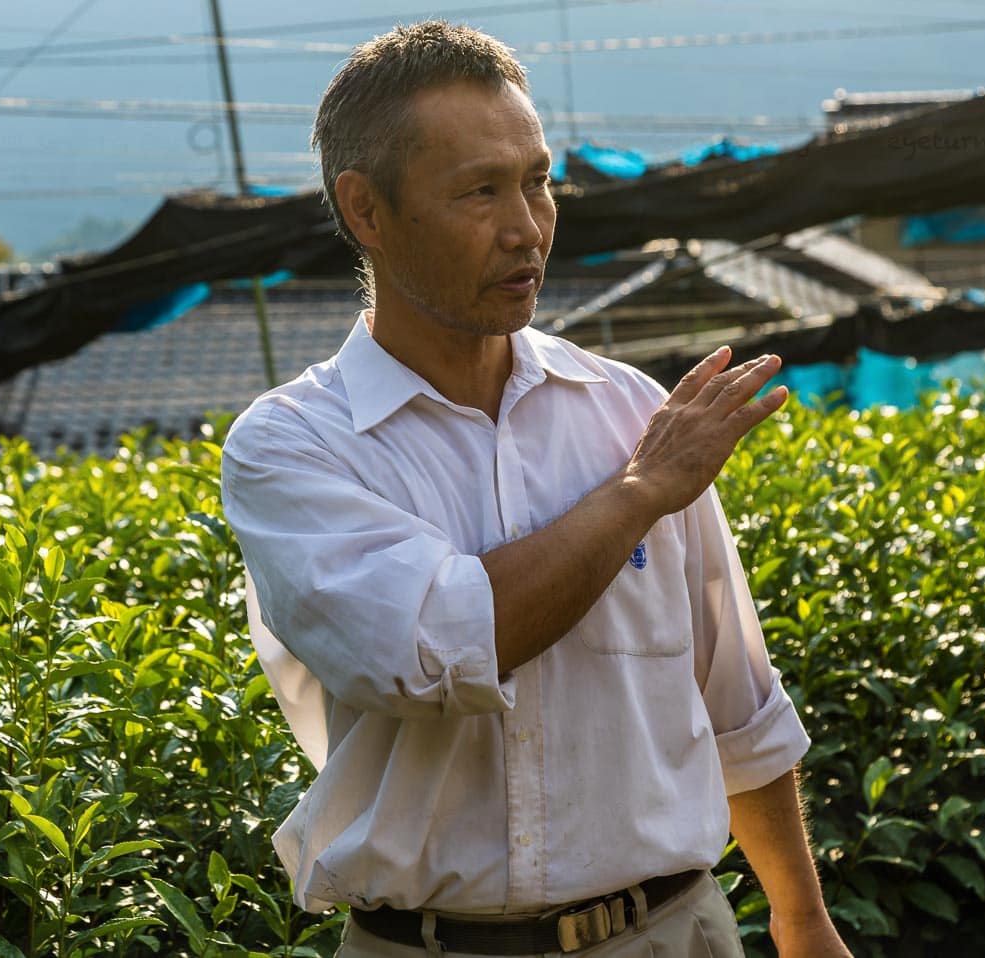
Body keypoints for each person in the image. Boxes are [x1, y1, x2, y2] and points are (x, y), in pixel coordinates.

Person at [220, 20, 851, 958]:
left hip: (675, 933)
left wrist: (802, 922)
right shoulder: (295, 447)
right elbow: (434, 649)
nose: (526, 227)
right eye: (480, 190)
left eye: (538, 180)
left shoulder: (632, 409)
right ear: (367, 211)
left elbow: (736, 699)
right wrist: (635, 496)